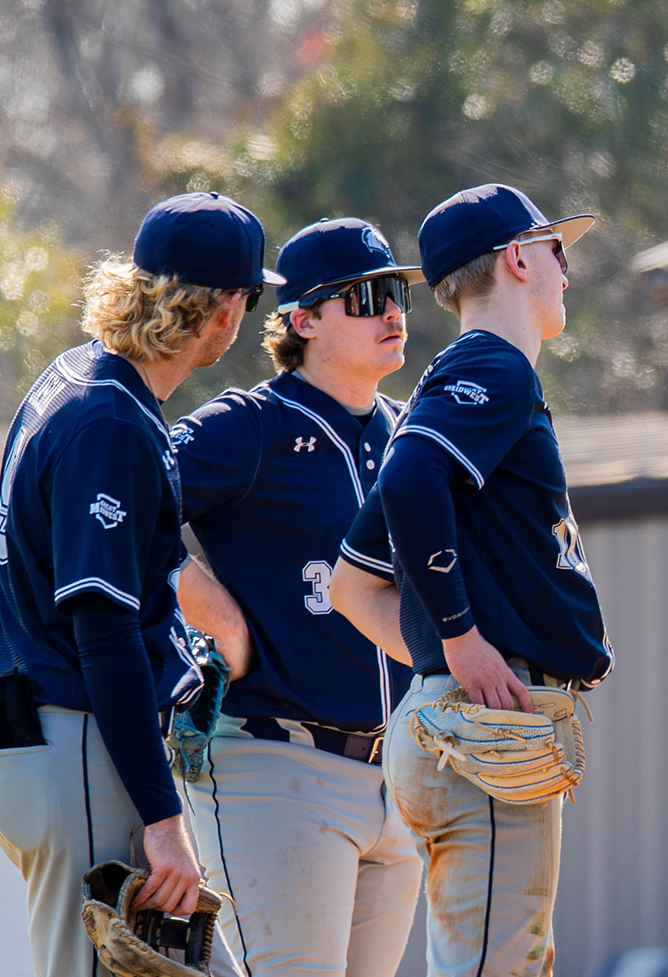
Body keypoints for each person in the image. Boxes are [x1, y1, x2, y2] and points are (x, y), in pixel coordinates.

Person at [0, 192, 278, 977]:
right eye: (248, 296)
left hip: (59, 743)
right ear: (226, 309)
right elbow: (102, 632)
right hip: (78, 745)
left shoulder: (77, 376)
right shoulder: (109, 419)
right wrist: (162, 816)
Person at [169, 217, 423, 977]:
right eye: (366, 297)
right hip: (280, 766)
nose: (391, 312)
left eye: (397, 294)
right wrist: (218, 620)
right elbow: (104, 512)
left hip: (398, 774)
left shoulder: (408, 434)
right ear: (302, 320)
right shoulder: (250, 427)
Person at [375, 183, 611, 977]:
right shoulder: (492, 367)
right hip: (482, 721)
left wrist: (435, 671)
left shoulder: (445, 387)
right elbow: (409, 484)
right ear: (516, 257)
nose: (566, 270)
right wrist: (459, 642)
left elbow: (350, 577)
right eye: (555, 248)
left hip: (457, 714)